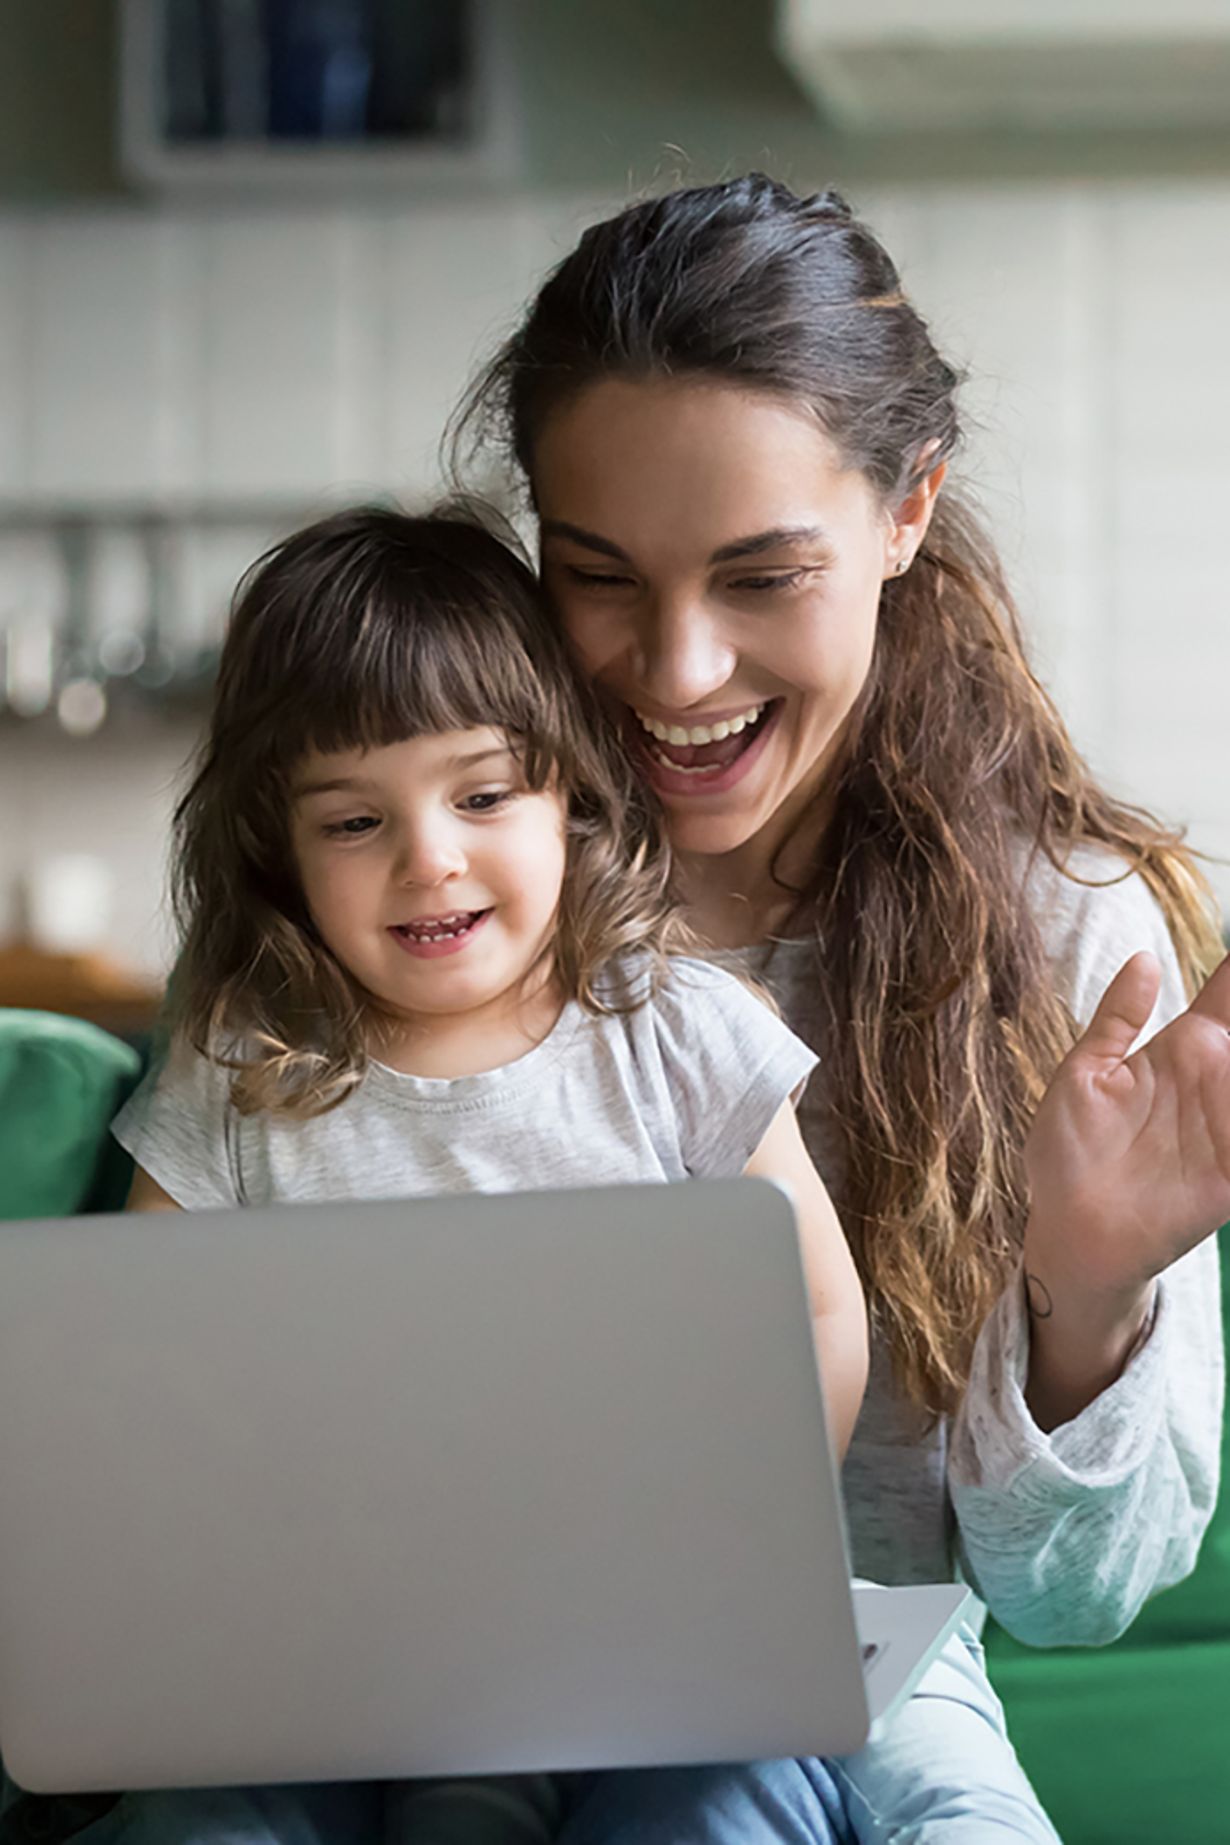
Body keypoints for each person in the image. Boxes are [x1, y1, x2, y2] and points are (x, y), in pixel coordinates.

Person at [45, 504, 1054, 1845]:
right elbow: (137, 1363)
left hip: (647, 1632)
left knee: (713, 1807)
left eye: (481, 794)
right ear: (277, 849)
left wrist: (734, 1533)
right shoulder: (243, 1069)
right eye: (353, 819)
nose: (429, 858)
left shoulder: (672, 1029)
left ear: (571, 791)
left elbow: (811, 1303)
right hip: (338, 1656)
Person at [442, 171, 1230, 1842]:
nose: (675, 670)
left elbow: (1073, 1602)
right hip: (463, 1705)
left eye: (758, 577)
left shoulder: (1064, 937)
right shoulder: (441, 909)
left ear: (906, 511)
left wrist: (1083, 1296)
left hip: (850, 1720)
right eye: (597, 575)